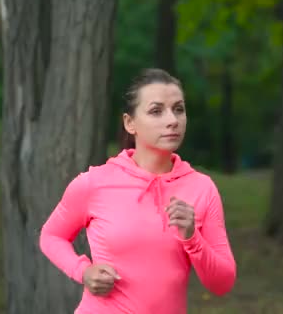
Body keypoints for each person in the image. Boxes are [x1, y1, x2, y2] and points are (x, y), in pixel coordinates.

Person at [39, 68, 237, 314]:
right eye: (156, 111)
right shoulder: (94, 182)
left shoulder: (201, 188)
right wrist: (83, 271)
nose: (172, 120)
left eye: (179, 109)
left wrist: (192, 237)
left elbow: (222, 283)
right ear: (130, 123)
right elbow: (51, 236)